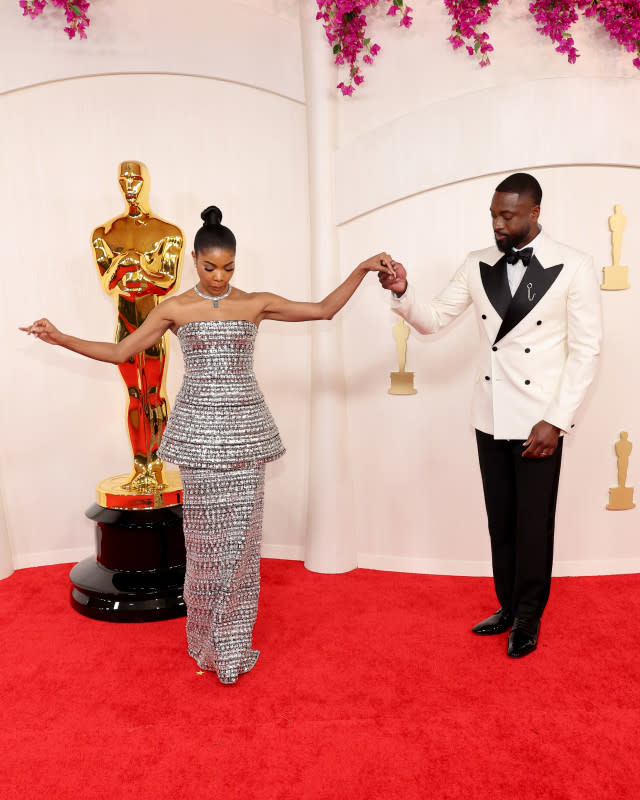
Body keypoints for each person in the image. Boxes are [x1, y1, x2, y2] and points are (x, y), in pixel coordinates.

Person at [22, 204, 395, 684]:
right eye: (209, 267)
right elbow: (120, 352)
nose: (220, 277)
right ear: (194, 259)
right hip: (199, 437)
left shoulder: (256, 303)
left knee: (240, 544)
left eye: (229, 267)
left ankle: (233, 645)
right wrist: (60, 337)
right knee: (204, 546)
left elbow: (323, 310)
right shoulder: (175, 308)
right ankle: (206, 639)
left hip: (245, 438)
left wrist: (361, 268)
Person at [378, 173, 602, 658]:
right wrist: (403, 292)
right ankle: (506, 605)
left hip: (540, 420)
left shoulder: (574, 266)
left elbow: (587, 352)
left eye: (508, 216)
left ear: (534, 213)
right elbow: (435, 318)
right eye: (493, 215)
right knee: (500, 521)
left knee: (533, 521)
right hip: (490, 413)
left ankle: (527, 616)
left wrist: (558, 420)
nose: (498, 224)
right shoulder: (476, 264)